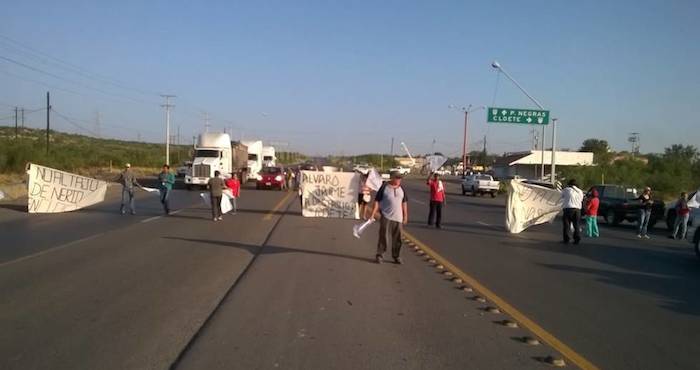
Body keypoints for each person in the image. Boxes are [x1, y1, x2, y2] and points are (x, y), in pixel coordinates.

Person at [370, 171, 408, 264]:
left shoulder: (401, 189)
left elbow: (404, 203)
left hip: (398, 217)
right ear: (392, 178)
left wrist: (405, 216)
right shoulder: (384, 187)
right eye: (397, 178)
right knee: (383, 237)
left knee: (398, 238)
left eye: (400, 178)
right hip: (386, 216)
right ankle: (380, 255)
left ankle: (396, 256)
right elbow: (377, 201)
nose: (399, 180)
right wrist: (372, 214)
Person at [561, 179, 584, 244]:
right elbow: (581, 200)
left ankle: (566, 239)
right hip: (577, 210)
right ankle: (577, 239)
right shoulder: (580, 191)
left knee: (567, 225)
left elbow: (562, 197)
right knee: (576, 225)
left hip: (568, 209)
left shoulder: (566, 190)